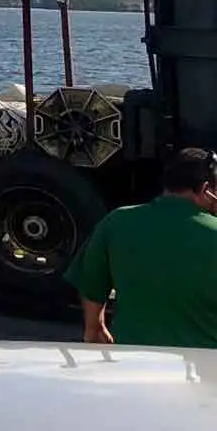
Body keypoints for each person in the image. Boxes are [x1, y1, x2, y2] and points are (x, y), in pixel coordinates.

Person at [64, 145, 217, 348]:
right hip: (205, 367)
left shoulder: (116, 222)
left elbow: (91, 283)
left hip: (134, 362)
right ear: (206, 189)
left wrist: (95, 326)